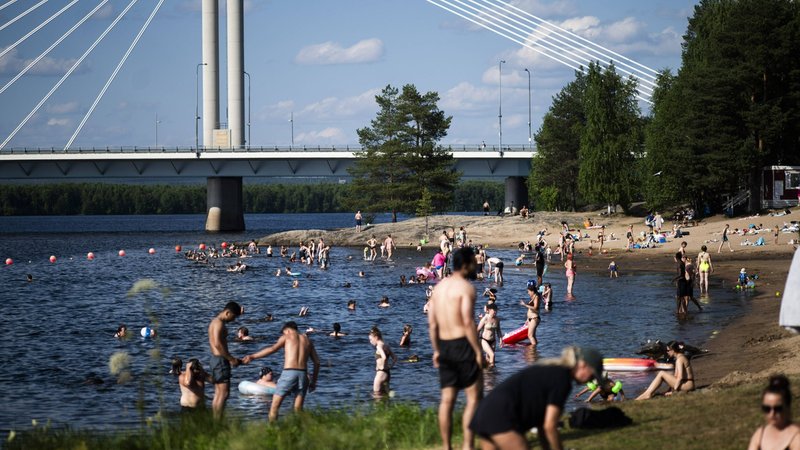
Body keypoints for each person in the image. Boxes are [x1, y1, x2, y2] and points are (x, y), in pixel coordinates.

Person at [469, 346, 603, 450]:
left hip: (484, 412)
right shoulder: (562, 379)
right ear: (583, 365)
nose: (590, 380)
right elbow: (550, 426)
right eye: (592, 375)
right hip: (500, 417)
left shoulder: (550, 370)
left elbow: (542, 426)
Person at [428, 247, 483, 450]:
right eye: (474, 262)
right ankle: (468, 446)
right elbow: (467, 321)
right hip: (463, 344)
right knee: (474, 398)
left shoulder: (439, 288)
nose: (476, 265)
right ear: (466, 264)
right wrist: (478, 351)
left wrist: (436, 350)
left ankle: (446, 446)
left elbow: (432, 324)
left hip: (444, 345)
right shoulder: (466, 288)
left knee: (447, 400)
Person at [243, 321, 320, 422]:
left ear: (287, 330)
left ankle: (273, 429)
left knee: (274, 407)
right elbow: (317, 362)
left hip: (289, 373)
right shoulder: (308, 340)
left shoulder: (286, 337)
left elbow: (272, 349)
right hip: (303, 374)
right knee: (298, 409)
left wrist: (252, 356)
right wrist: (313, 382)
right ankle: (300, 429)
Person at [208, 301, 243, 419]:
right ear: (228, 313)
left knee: (218, 393)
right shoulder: (219, 324)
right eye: (234, 317)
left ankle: (215, 421)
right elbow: (217, 344)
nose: (233, 320)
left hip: (215, 360)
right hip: (220, 361)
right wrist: (231, 359)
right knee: (224, 393)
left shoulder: (214, 322)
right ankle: (218, 421)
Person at [747, 375, 800, 450]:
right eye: (767, 408)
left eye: (778, 409)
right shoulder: (760, 434)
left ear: (787, 407)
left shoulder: (797, 436)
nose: (772, 413)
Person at [369, 326, 397, 397]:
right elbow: (395, 358)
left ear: (376, 337)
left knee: (376, 396)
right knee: (385, 396)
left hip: (380, 373)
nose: (370, 342)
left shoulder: (379, 346)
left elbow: (384, 357)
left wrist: (381, 367)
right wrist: (390, 366)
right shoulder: (386, 345)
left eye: (371, 339)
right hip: (387, 373)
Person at [477, 304, 502, 368]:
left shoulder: (497, 319)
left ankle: (487, 371)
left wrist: (501, 340)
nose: (495, 312)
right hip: (484, 340)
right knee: (492, 355)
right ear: (489, 310)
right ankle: (492, 371)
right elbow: (478, 330)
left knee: (488, 357)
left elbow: (498, 330)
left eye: (496, 310)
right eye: (494, 310)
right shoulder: (485, 319)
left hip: (493, 341)